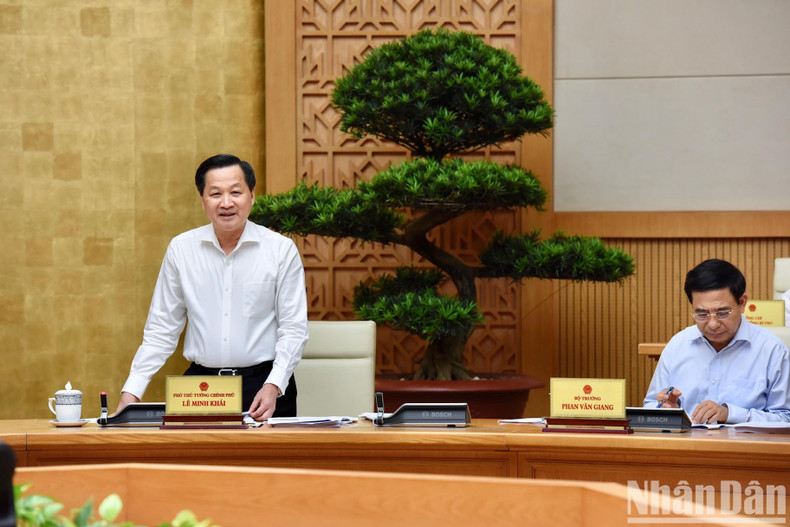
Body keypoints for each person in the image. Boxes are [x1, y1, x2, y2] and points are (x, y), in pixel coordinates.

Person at [116, 154, 308, 421]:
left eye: (236, 192)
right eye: (215, 193)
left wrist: (274, 384)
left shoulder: (280, 250)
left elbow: (294, 329)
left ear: (252, 196)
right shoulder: (181, 249)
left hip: (264, 385)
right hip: (201, 388)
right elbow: (162, 329)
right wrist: (132, 392)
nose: (226, 203)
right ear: (203, 200)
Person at [644, 259, 790, 424]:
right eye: (702, 314)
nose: (712, 324)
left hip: (744, 441)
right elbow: (651, 405)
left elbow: (785, 419)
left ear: (742, 303)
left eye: (722, 312)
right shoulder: (677, 345)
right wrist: (666, 409)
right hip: (687, 440)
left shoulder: (772, 350)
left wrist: (730, 414)